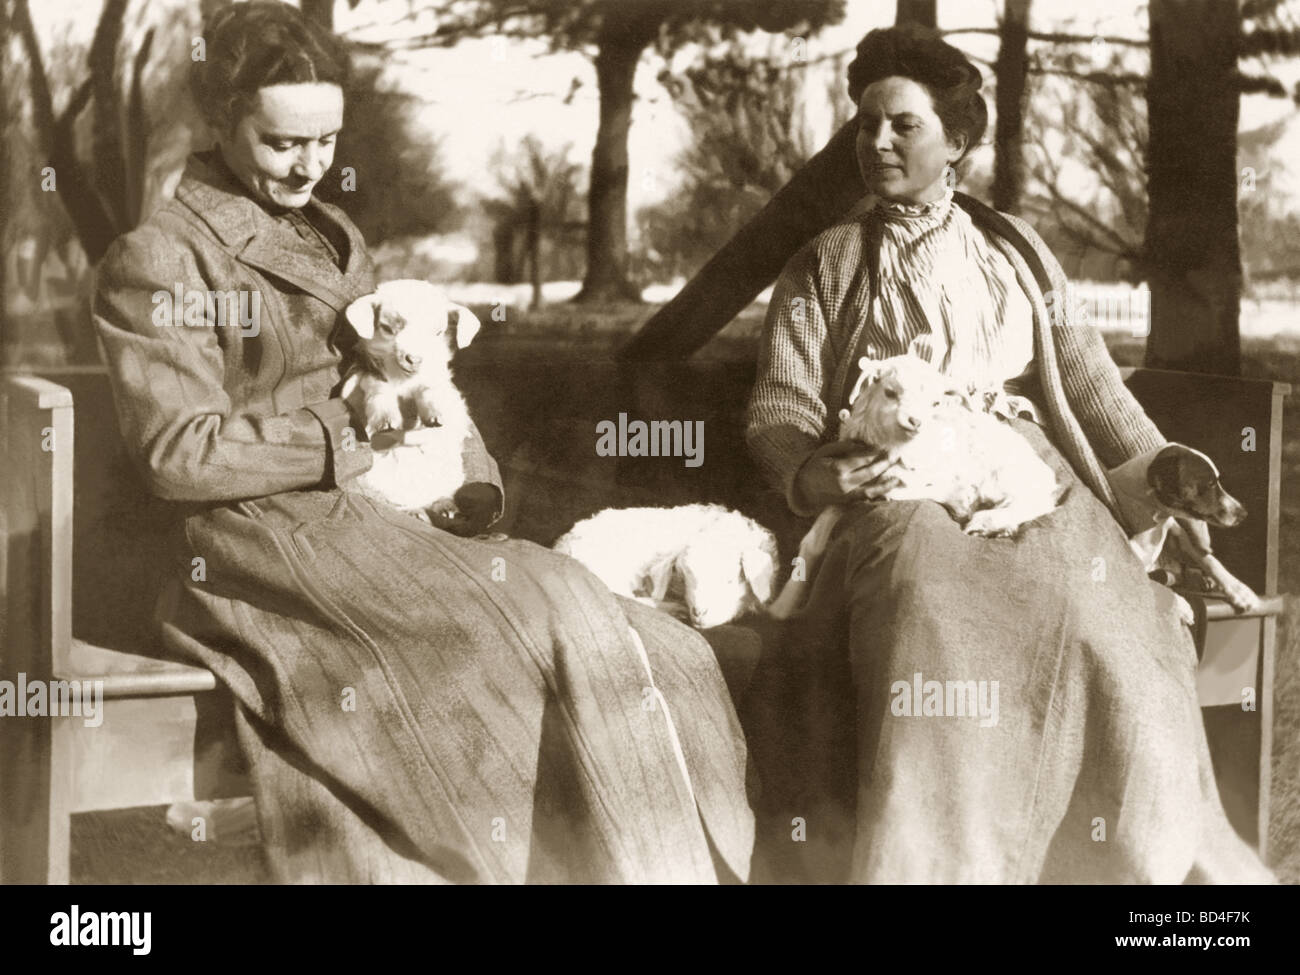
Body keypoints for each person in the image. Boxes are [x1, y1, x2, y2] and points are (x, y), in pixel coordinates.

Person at [93, 1, 753, 883]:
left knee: (655, 642)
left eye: (325, 141)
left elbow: (414, 376)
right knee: (540, 616)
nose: (309, 164)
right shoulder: (162, 259)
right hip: (251, 542)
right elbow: (179, 452)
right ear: (219, 121)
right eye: (282, 143)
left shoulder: (333, 234)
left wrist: (468, 483)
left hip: (371, 509)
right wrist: (343, 430)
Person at [744, 24, 1272, 884]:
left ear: (957, 141)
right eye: (866, 124)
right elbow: (781, 401)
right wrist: (810, 470)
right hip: (900, 477)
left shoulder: (1018, 251)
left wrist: (1165, 479)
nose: (877, 142)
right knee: (924, 607)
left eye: (903, 125)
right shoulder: (827, 263)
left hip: (1029, 479)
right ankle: (940, 865)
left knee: (1112, 616)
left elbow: (1090, 382)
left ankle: (1128, 867)